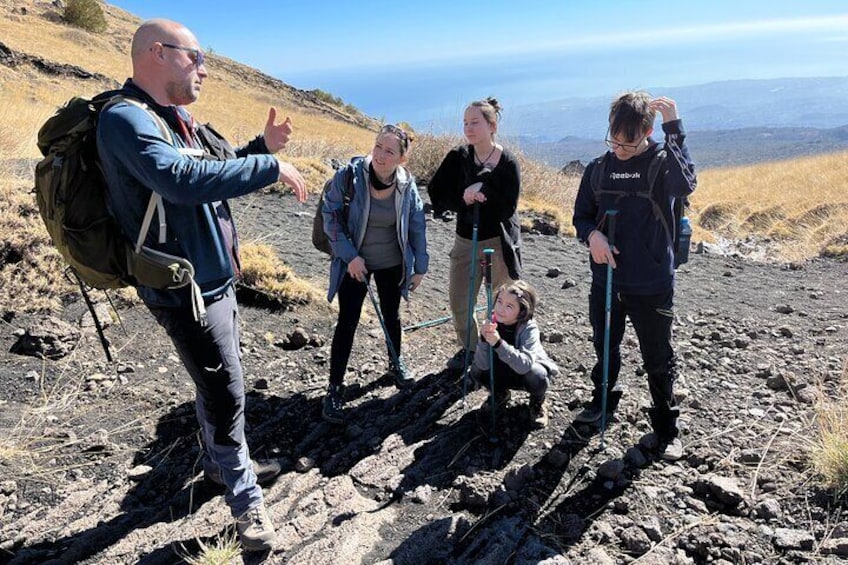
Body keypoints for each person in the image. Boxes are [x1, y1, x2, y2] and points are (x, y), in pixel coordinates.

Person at [97, 19, 307, 551]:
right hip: (182, 288)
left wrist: (261, 145)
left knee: (216, 379)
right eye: (197, 59)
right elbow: (180, 181)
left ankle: (220, 467)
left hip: (216, 280)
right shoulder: (125, 120)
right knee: (224, 390)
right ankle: (247, 503)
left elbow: (213, 166)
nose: (206, 70)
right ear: (158, 53)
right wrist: (270, 164)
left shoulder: (176, 118)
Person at [571, 91, 697, 461]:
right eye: (614, 139)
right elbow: (580, 216)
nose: (620, 148)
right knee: (604, 344)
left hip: (652, 283)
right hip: (605, 280)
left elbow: (687, 183)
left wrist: (675, 128)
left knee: (657, 356)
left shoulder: (661, 165)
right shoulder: (598, 168)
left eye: (628, 140)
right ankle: (603, 402)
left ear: (647, 130)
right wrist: (592, 235)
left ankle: (665, 425)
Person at [321, 124, 429, 424]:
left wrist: (420, 265)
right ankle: (334, 388)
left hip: (392, 262)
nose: (380, 155)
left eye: (389, 151)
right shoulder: (350, 177)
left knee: (392, 316)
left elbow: (417, 225)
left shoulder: (407, 185)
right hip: (355, 263)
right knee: (348, 321)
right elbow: (330, 216)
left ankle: (396, 364)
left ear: (402, 159)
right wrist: (350, 256)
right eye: (378, 146)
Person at [428, 98, 522, 373]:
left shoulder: (508, 162)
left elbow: (509, 206)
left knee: (503, 304)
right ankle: (471, 349)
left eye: (475, 123)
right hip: (465, 241)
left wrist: (486, 192)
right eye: (465, 123)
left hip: (498, 241)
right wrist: (464, 198)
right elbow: (436, 192)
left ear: (492, 126)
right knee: (459, 302)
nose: (468, 128)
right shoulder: (458, 157)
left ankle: (500, 351)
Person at [473, 281, 559, 428]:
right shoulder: (491, 321)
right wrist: (482, 339)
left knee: (537, 375)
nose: (500, 309)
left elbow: (524, 366)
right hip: (501, 371)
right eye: (499, 301)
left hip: (523, 374)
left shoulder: (529, 328)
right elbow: (482, 364)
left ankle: (537, 402)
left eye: (509, 306)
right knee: (475, 370)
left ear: (522, 311)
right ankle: (500, 394)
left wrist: (498, 343)